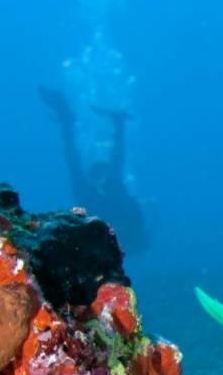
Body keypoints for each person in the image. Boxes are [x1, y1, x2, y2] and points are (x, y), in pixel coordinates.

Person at [39, 87, 148, 252]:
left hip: (122, 235)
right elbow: (74, 160)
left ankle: (69, 118)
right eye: (98, 175)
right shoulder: (91, 191)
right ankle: (69, 118)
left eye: (104, 173)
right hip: (110, 237)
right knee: (80, 169)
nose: (103, 180)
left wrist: (66, 122)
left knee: (96, 171)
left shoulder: (108, 188)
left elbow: (116, 159)